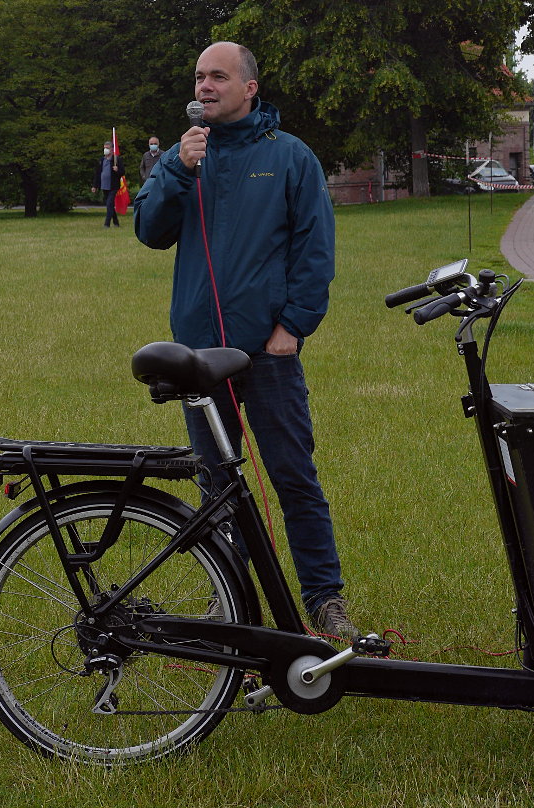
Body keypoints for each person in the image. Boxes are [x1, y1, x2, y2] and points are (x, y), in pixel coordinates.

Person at [134, 41, 359, 639]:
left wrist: (291, 329)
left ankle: (324, 598)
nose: (205, 87)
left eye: (219, 77)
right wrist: (178, 170)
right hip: (200, 361)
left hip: (268, 354)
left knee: (293, 477)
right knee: (215, 486)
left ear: (250, 87)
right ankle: (229, 601)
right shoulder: (184, 156)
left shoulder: (289, 158)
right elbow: (150, 231)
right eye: (200, 77)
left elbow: (315, 252)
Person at [91, 141, 125, 227]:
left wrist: (117, 170)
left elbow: (122, 172)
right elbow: (98, 173)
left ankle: (107, 224)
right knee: (110, 205)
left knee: (109, 203)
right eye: (104, 148)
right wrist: (95, 185)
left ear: (112, 149)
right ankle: (116, 222)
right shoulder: (101, 160)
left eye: (107, 148)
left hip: (113, 186)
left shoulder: (116, 159)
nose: (105, 150)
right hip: (104, 186)